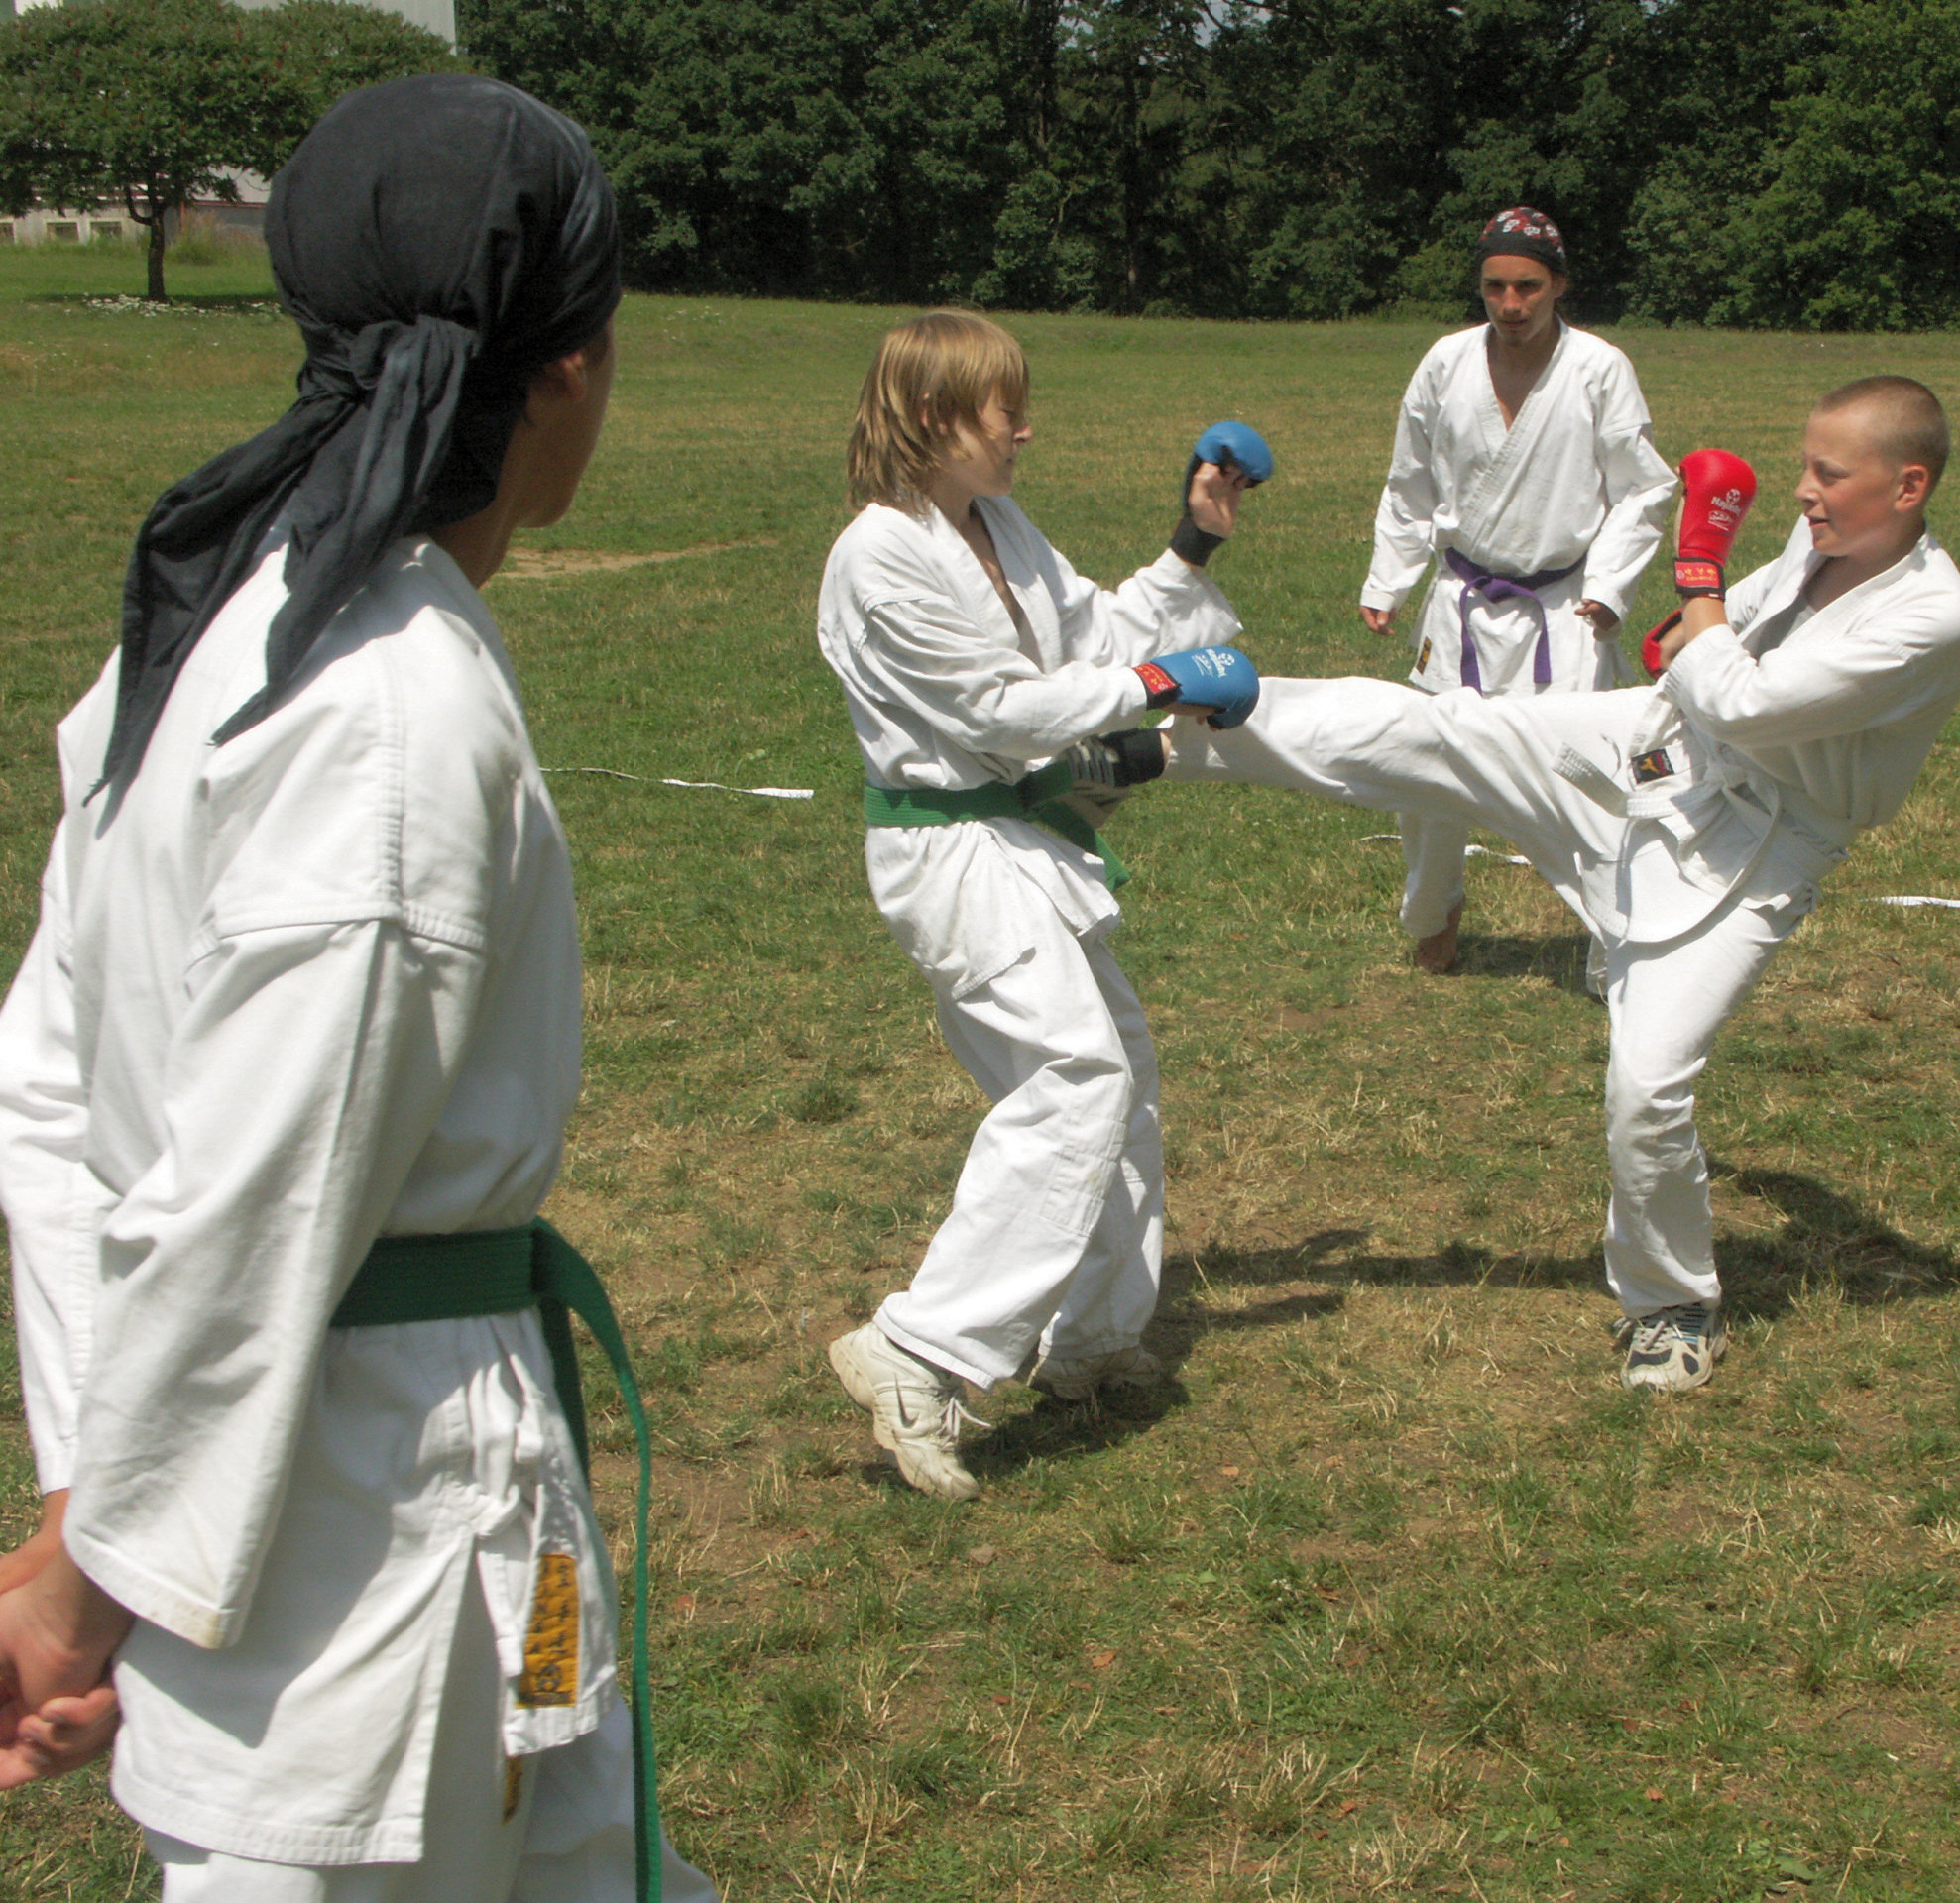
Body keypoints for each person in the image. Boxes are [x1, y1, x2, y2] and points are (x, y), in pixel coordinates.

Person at [0, 76, 715, 1902]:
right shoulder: (387, 707)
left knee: (590, 1859)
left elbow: (52, 1096)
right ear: (569, 367)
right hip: (358, 1572)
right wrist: (88, 1581)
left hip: (384, 1515)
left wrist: (90, 1498)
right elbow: (249, 1199)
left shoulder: (202, 637)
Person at [1171, 378, 1960, 1393]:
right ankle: (1169, 733)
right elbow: (1727, 647)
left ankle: (1671, 1304)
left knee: (1648, 1083)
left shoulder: (1935, 615)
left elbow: (1748, 699)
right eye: (1804, 467)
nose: (1803, 490)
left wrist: (1698, 572)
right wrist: (1692, 631)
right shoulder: (1825, 538)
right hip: (1665, 739)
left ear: (1908, 487)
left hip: (1764, 842)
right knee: (1448, 729)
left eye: (1830, 473)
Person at [816, 312, 1261, 1502]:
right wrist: (1158, 685)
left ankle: (1094, 1337)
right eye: (1002, 410)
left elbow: (1095, 634)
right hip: (953, 848)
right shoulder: (879, 556)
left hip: (1018, 837)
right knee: (1074, 1078)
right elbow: (1000, 711)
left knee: (1121, 1070)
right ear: (929, 417)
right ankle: (920, 1348)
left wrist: (1194, 543)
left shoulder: (993, 524)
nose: (1024, 430)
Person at [1358, 206, 1677, 972]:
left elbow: (1643, 488)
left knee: (1587, 779)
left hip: (1562, 610)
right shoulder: (1446, 362)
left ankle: (1613, 944)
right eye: (1495, 287)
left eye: (1528, 287)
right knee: (1430, 773)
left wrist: (1608, 584)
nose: (1510, 305)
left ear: (1559, 285)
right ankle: (1435, 918)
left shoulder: (1598, 368)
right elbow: (1410, 480)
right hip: (1463, 603)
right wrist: (1389, 579)